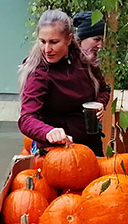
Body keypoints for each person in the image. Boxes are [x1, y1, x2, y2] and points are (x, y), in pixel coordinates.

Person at [18, 9, 111, 156]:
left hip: (91, 147)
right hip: (56, 153)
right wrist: (48, 131)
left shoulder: (85, 62)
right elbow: (26, 118)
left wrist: (100, 103)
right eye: (43, 42)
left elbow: (104, 90)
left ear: (69, 39)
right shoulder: (38, 73)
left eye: (54, 42)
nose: (47, 49)